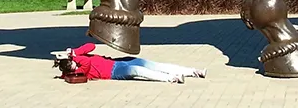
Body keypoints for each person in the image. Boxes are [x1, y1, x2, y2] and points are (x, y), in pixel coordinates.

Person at [53, 43, 206, 83]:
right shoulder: (77, 71)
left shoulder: (75, 59)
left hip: (116, 62)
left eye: (72, 63)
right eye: (73, 65)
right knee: (136, 70)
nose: (75, 65)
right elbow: (85, 62)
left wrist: (74, 51)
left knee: (152, 64)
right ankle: (172, 78)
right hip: (114, 73)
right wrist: (74, 55)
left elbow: (91, 46)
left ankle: (194, 71)